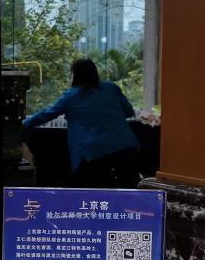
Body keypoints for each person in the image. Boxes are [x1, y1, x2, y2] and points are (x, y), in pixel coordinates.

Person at [23, 58, 140, 188]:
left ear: (75, 75)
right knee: (131, 189)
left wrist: (23, 123)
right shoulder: (111, 88)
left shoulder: (72, 96)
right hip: (125, 147)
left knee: (98, 192)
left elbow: (47, 114)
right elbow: (129, 111)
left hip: (95, 152)